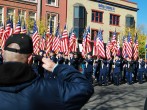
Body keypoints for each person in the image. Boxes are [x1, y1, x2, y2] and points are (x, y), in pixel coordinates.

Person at [0, 34, 94, 110]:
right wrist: (56, 67)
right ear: (29, 59)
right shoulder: (50, 89)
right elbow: (85, 88)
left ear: (3, 55)